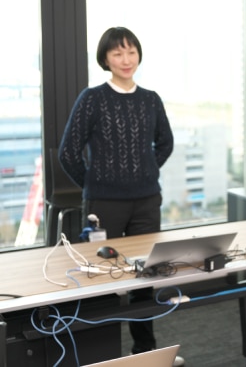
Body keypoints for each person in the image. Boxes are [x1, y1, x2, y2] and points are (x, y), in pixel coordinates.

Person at [58, 27, 182, 366]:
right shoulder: (92, 98)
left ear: (138, 55)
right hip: (103, 205)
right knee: (102, 278)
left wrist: (143, 172)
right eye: (117, 54)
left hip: (146, 202)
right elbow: (68, 153)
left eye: (131, 52)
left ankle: (144, 352)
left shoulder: (150, 99)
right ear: (105, 59)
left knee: (146, 277)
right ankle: (102, 355)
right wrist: (96, 184)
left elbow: (166, 143)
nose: (125, 60)